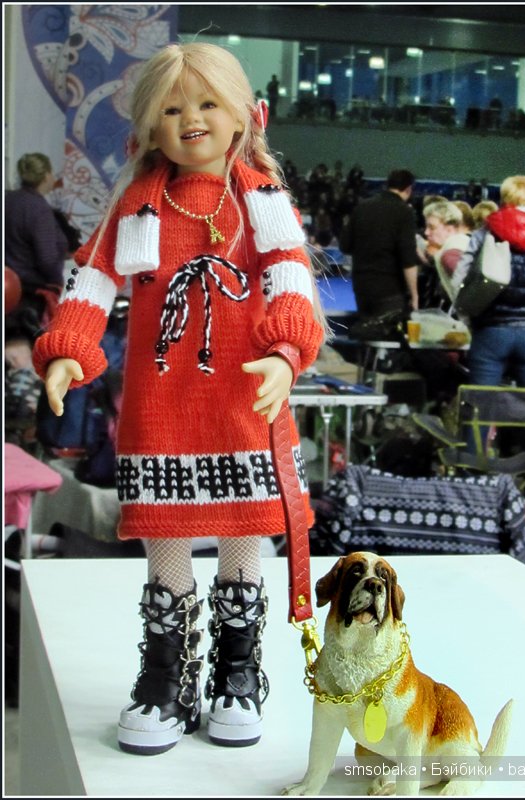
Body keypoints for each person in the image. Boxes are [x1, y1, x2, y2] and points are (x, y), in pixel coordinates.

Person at [32, 42, 324, 756]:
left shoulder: (260, 198)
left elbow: (291, 277)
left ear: (242, 118)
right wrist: (69, 347)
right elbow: (93, 277)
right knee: (166, 538)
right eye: (171, 108)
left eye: (205, 105)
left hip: (243, 403)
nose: (190, 120)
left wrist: (287, 352)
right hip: (162, 407)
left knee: (241, 536)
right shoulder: (138, 202)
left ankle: (236, 668)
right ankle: (167, 676)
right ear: (148, 127)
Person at [452, 175, 525, 393]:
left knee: (478, 408)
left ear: (505, 200)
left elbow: (458, 280)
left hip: (489, 332)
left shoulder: (483, 233)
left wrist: (468, 318)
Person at [340, 168, 419, 319]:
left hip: (361, 285)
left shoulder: (362, 207)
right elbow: (408, 258)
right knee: (388, 336)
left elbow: (345, 245)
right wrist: (415, 295)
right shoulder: (404, 212)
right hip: (390, 288)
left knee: (365, 332)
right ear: (409, 189)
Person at [5, 152, 69, 335]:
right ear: (47, 175)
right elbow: (47, 258)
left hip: (8, 289)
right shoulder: (38, 209)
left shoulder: (8, 200)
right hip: (32, 297)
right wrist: (58, 283)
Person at [422, 200, 471, 305]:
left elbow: (470, 292)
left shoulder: (450, 256)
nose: (426, 232)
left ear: (449, 230)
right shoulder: (464, 242)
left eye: (432, 227)